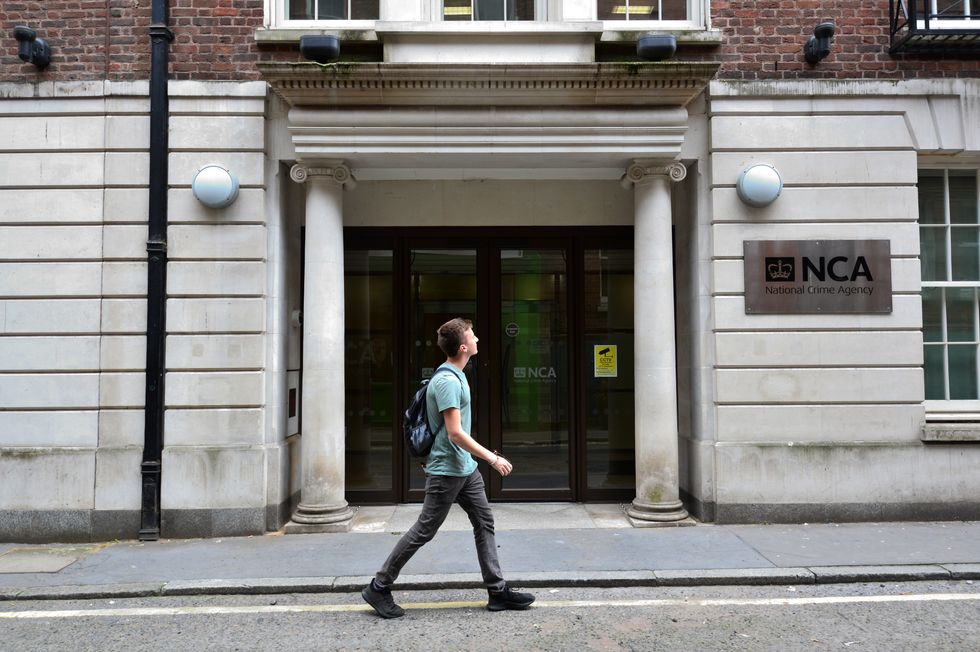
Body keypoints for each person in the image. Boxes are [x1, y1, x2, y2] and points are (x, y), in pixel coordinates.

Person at [361, 317, 535, 618]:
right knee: (424, 530)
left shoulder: (457, 374)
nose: (478, 338)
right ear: (464, 346)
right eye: (473, 335)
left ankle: (497, 592)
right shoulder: (446, 382)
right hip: (446, 470)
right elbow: (455, 432)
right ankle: (379, 586)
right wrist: (491, 458)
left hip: (464, 468)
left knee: (484, 523)